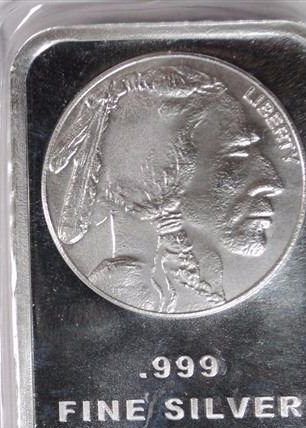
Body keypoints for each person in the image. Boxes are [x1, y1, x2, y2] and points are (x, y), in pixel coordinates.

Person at [48, 65, 284, 313]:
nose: (274, 182)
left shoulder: (199, 278)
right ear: (157, 173)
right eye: (237, 155)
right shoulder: (137, 297)